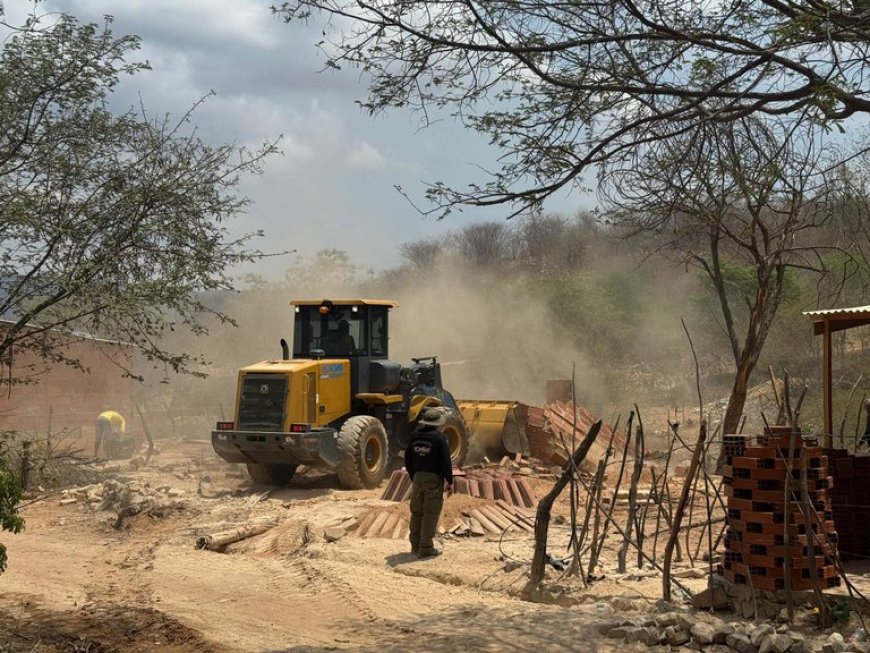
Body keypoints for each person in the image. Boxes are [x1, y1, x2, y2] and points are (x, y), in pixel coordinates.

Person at [404, 407, 453, 558]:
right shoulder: (439, 438)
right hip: (433, 479)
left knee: (417, 512)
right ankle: (425, 548)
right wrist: (449, 481)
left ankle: (415, 545)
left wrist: (414, 475)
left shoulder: (414, 436)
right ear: (437, 423)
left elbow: (407, 458)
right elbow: (446, 461)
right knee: (430, 513)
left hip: (418, 478)